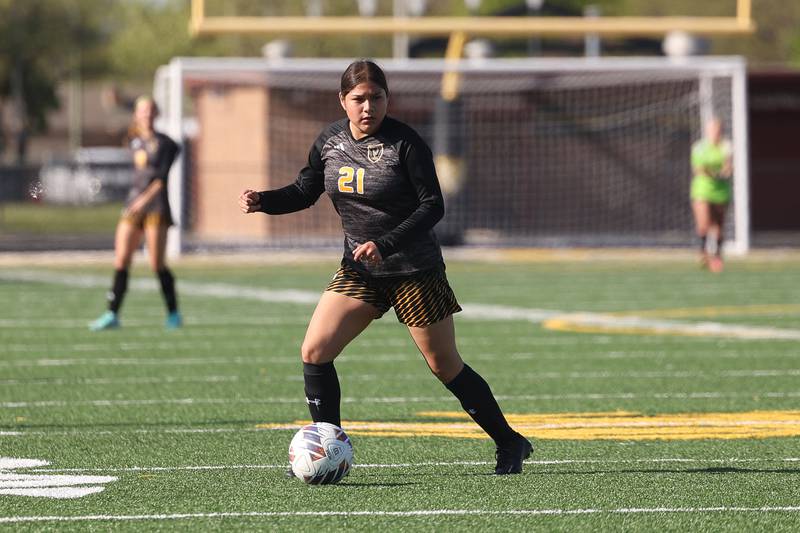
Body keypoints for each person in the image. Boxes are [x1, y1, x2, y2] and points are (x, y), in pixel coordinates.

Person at [239, 60, 532, 475]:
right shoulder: (330, 141)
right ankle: (328, 449)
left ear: (386, 100)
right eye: (358, 98)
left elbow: (434, 206)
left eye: (376, 98)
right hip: (361, 269)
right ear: (343, 100)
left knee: (444, 365)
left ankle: (510, 442)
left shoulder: (406, 144)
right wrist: (263, 201)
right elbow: (305, 191)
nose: (367, 107)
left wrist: (387, 243)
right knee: (315, 352)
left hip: (415, 270)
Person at [90, 96, 182, 330]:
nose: (146, 115)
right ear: (136, 115)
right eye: (142, 111)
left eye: (150, 110)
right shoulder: (133, 140)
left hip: (156, 205)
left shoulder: (167, 144)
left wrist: (144, 201)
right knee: (121, 258)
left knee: (156, 263)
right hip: (133, 204)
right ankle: (112, 314)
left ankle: (173, 314)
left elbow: (160, 179)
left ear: (157, 114)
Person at [690, 117, 733, 273]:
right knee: (703, 224)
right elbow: (698, 169)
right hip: (702, 189)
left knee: (718, 226)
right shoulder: (699, 148)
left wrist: (724, 173)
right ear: (707, 131)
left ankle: (717, 256)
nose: (715, 133)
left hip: (721, 191)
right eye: (712, 130)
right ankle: (703, 253)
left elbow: (728, 167)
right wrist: (715, 173)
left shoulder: (726, 146)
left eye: (717, 129)